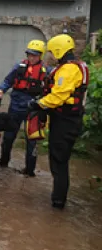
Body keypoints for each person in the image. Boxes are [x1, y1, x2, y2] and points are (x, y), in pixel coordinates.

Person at [29, 34, 88, 209]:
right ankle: (58, 197)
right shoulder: (73, 66)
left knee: (59, 160)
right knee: (59, 159)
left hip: (66, 121)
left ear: (58, 50)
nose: (52, 56)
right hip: (66, 119)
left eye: (53, 53)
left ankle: (58, 202)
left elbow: (59, 96)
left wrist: (38, 104)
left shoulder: (68, 69)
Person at [0, 40, 48, 176]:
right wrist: (1, 90)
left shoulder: (47, 71)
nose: (31, 57)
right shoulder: (19, 67)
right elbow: (8, 81)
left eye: (35, 55)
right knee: (9, 136)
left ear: (41, 55)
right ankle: (4, 162)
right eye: (30, 54)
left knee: (32, 140)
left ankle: (29, 171)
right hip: (16, 106)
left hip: (34, 109)